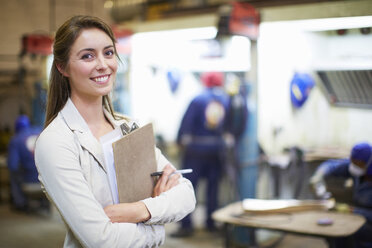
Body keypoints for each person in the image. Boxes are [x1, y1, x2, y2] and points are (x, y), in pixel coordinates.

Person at [34, 15, 196, 247]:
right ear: (62, 67)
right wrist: (157, 230)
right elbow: (101, 239)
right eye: (87, 56)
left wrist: (137, 210)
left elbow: (186, 195)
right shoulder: (56, 142)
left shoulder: (127, 127)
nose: (103, 64)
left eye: (108, 53)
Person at [172, 71, 229, 237]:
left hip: (195, 151)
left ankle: (186, 226)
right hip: (216, 151)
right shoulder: (225, 100)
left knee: (188, 189)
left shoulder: (197, 99)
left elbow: (186, 123)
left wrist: (179, 141)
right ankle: (211, 224)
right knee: (213, 189)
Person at [310, 142, 372, 248]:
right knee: (334, 231)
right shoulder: (358, 170)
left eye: (357, 163)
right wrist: (318, 176)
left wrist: (351, 210)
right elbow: (331, 165)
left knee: (350, 231)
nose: (353, 166)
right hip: (356, 215)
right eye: (352, 162)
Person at [7, 115, 48, 212]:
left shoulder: (15, 140)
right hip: (46, 182)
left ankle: (21, 203)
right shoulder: (40, 132)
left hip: (28, 181)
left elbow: (13, 165)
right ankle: (44, 202)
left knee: (13, 173)